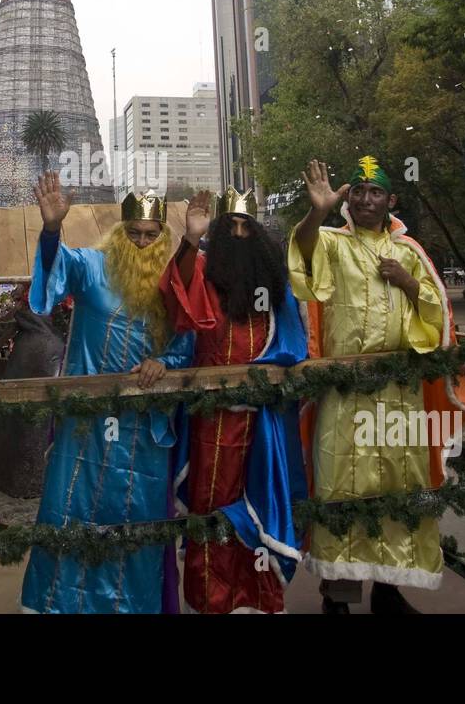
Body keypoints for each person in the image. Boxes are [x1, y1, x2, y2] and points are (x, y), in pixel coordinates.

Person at [289, 157, 465, 614]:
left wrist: (410, 283)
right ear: (347, 199)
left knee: (402, 486)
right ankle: (339, 595)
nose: (366, 199)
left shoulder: (410, 251)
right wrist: (317, 212)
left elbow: (436, 318)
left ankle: (389, 590)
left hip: (400, 394)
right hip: (344, 392)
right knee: (340, 488)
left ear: (391, 200)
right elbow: (303, 263)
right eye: (358, 192)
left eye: (376, 193)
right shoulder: (332, 243)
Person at [20, 174, 194, 614]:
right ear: (120, 231)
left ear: (162, 237)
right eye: (133, 232)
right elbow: (51, 277)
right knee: (69, 517)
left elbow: (186, 343)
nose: (140, 242)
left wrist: (165, 363)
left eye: (150, 235)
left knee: (137, 532)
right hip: (86, 427)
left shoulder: (171, 284)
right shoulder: (91, 266)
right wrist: (52, 228)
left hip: (142, 432)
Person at [158, 188, 309, 614]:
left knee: (260, 506)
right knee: (211, 513)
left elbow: (292, 342)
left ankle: (257, 601)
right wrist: (190, 239)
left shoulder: (272, 283)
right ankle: (211, 601)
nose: (239, 233)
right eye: (232, 226)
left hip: (263, 422)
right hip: (212, 422)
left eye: (247, 226)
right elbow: (179, 293)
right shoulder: (205, 273)